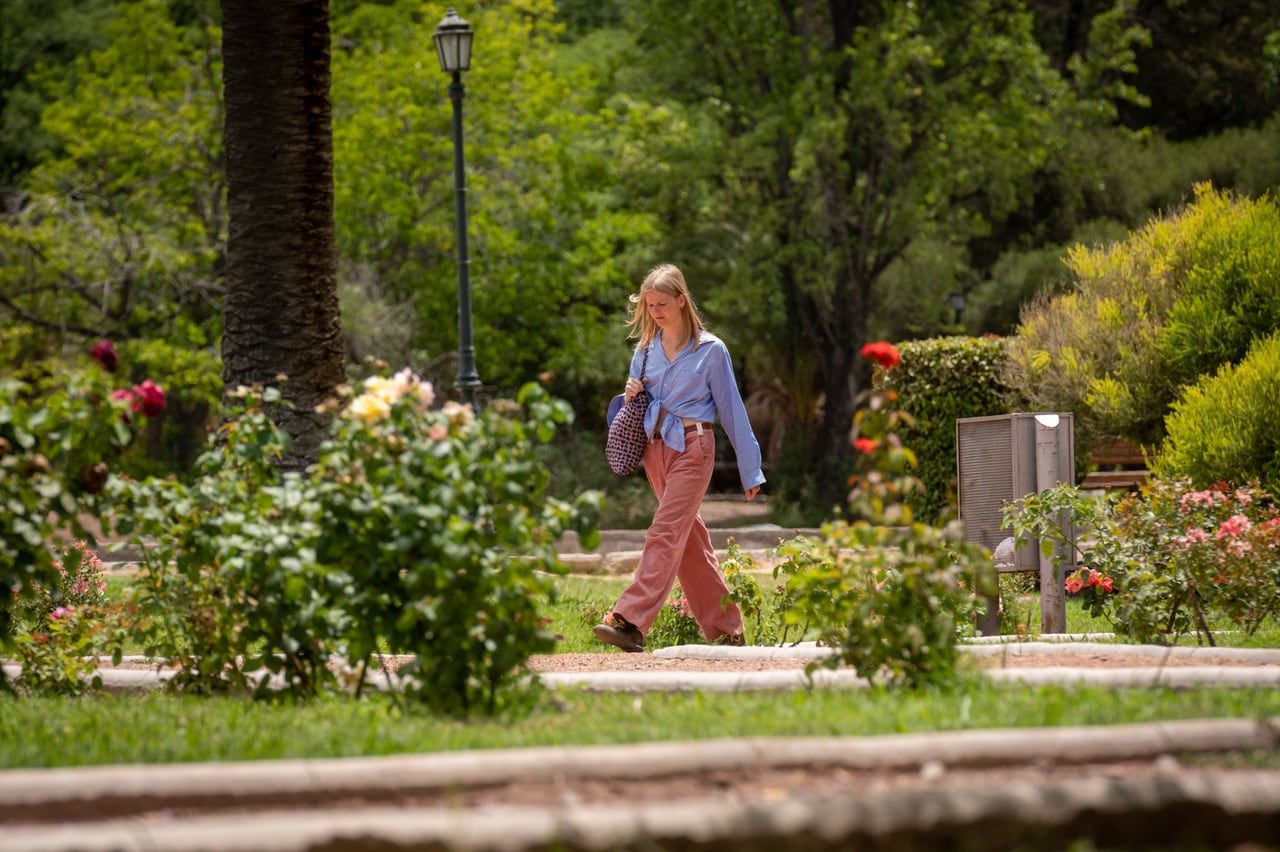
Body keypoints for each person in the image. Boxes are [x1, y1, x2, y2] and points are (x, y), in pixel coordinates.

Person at [593, 264, 766, 653]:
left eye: (662, 304)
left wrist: (750, 469)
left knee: (664, 531)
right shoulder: (644, 352)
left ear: (682, 301)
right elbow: (634, 409)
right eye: (649, 305)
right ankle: (727, 631)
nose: (655, 312)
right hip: (655, 451)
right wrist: (631, 393)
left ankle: (630, 621)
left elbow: (732, 410)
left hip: (693, 447)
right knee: (688, 543)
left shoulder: (711, 350)